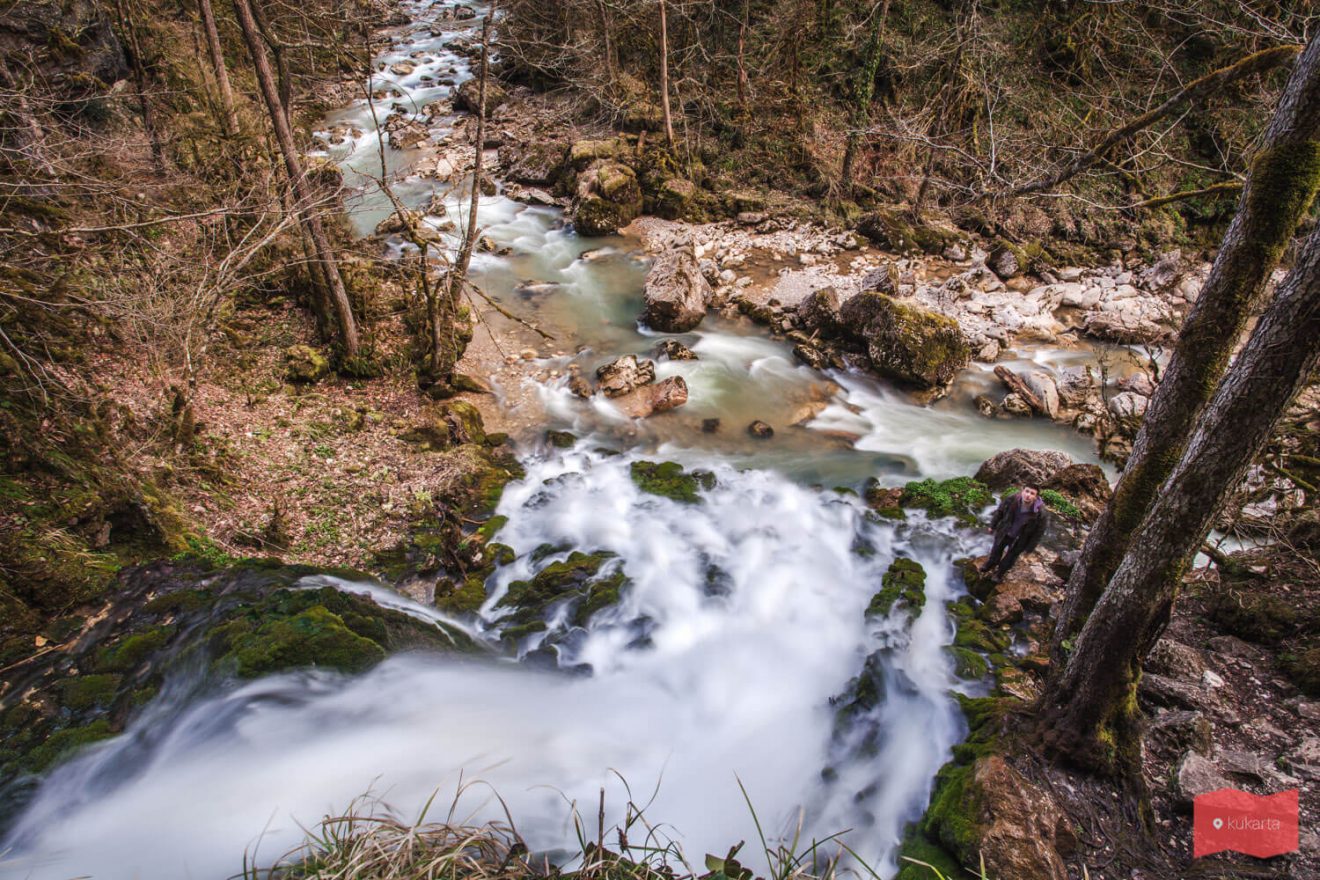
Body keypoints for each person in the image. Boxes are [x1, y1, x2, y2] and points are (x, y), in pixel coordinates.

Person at [979, 484, 1049, 580]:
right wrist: (992, 525)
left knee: (1010, 557)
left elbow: (1039, 532)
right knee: (996, 549)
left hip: (1020, 538)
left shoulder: (1040, 513)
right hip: (1005, 530)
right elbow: (1000, 512)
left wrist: (1030, 548)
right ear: (1022, 491)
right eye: (1027, 491)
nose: (1028, 495)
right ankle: (991, 563)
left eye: (1032, 493)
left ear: (1036, 497)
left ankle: (1000, 573)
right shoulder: (1012, 499)